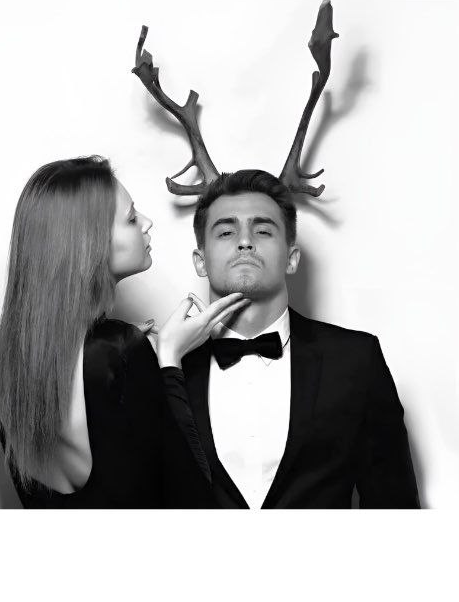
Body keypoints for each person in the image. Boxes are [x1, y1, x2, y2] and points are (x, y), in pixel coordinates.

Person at [0, 155, 248, 508]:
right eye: (131, 218)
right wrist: (168, 360)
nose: (148, 223)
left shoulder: (2, 348)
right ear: (87, 244)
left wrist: (118, 355)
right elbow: (191, 496)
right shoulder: (119, 352)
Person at [171, 169, 420, 508]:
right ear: (201, 262)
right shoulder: (164, 367)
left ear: (291, 258)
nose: (245, 241)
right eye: (226, 231)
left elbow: (395, 508)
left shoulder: (356, 360)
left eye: (263, 230)